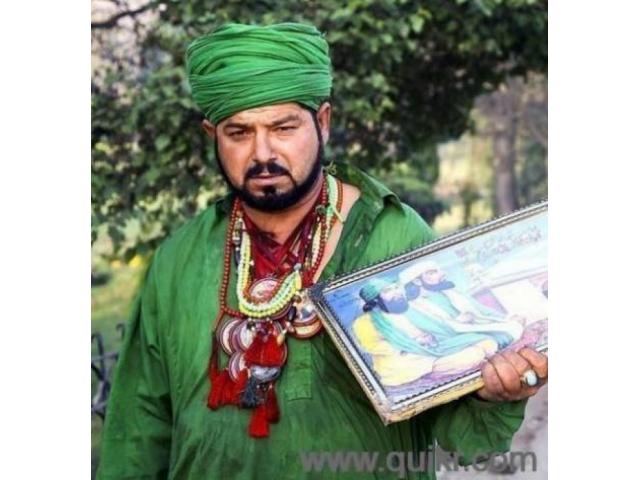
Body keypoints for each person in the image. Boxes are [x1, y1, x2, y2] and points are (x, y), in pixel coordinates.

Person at [97, 22, 548, 480]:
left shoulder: (391, 237)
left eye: (283, 128)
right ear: (213, 135)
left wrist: (493, 393)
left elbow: (461, 436)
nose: (262, 153)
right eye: (239, 133)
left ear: (323, 122)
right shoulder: (180, 259)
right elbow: (138, 432)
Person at [352, 277, 501, 386]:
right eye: (387, 291)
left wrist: (457, 322)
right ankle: (435, 373)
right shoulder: (364, 322)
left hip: (437, 345)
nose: (396, 292)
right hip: (408, 359)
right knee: (472, 355)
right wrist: (413, 343)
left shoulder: (412, 307)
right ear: (375, 299)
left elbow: (439, 322)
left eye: (396, 287)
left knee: (488, 343)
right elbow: (371, 346)